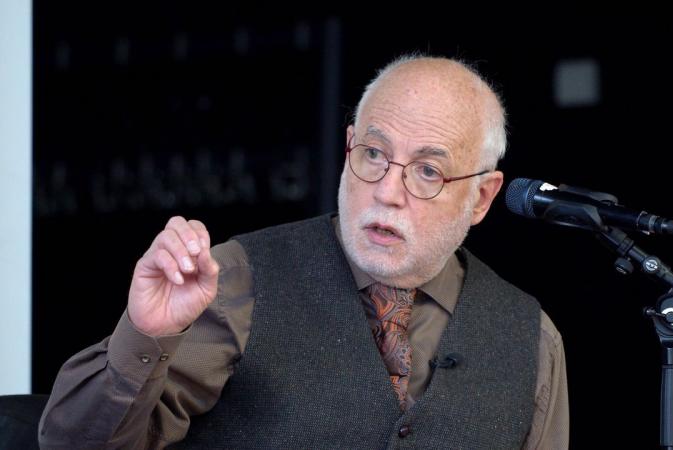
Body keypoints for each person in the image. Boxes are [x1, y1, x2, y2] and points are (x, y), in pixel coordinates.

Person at [39, 55, 568, 449]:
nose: (387, 189)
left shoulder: (530, 337)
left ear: (481, 197)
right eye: (374, 154)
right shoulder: (236, 281)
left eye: (428, 170)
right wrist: (145, 333)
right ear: (347, 149)